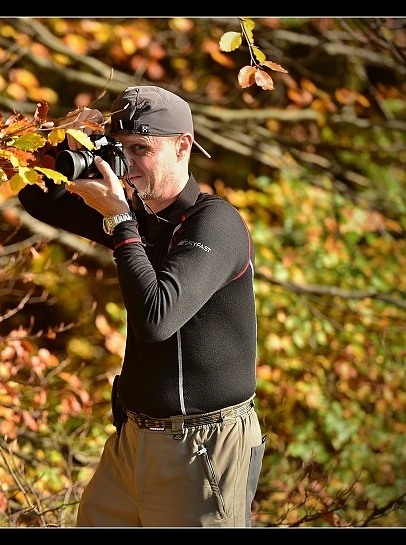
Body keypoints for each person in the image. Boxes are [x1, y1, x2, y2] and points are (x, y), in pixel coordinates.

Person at [17, 86, 266, 527]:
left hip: (203, 446)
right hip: (133, 439)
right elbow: (39, 199)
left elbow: (157, 318)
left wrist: (119, 220)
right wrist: (62, 148)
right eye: (120, 150)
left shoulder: (217, 222)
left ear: (182, 146)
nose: (127, 164)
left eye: (141, 149)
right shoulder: (142, 219)